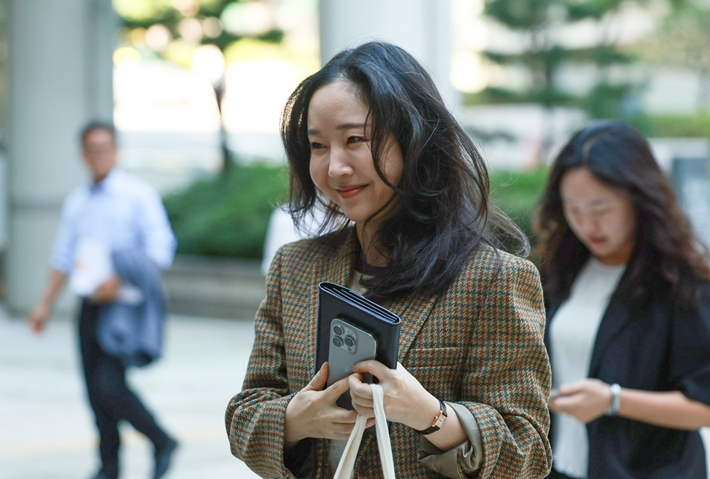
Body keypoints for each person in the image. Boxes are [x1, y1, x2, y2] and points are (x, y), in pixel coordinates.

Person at [225, 41, 552, 479]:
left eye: (354, 140)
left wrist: (430, 415)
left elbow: (527, 450)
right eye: (318, 146)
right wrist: (295, 420)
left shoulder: (494, 278)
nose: (334, 167)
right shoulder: (296, 267)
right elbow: (246, 412)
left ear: (413, 138)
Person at [535, 121, 710, 479]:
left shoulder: (681, 281)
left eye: (600, 209)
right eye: (573, 209)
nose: (587, 225)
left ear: (639, 200)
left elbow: (704, 405)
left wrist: (613, 400)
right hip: (558, 466)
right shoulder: (560, 268)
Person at [27, 121, 179, 479]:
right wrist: (44, 304)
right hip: (90, 306)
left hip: (124, 306)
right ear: (83, 154)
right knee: (94, 392)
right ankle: (109, 466)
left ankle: (161, 440)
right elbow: (63, 256)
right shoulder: (77, 202)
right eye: (92, 149)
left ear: (116, 150)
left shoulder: (137, 196)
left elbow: (161, 248)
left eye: (105, 148)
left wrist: (119, 280)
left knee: (109, 385)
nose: (99, 155)